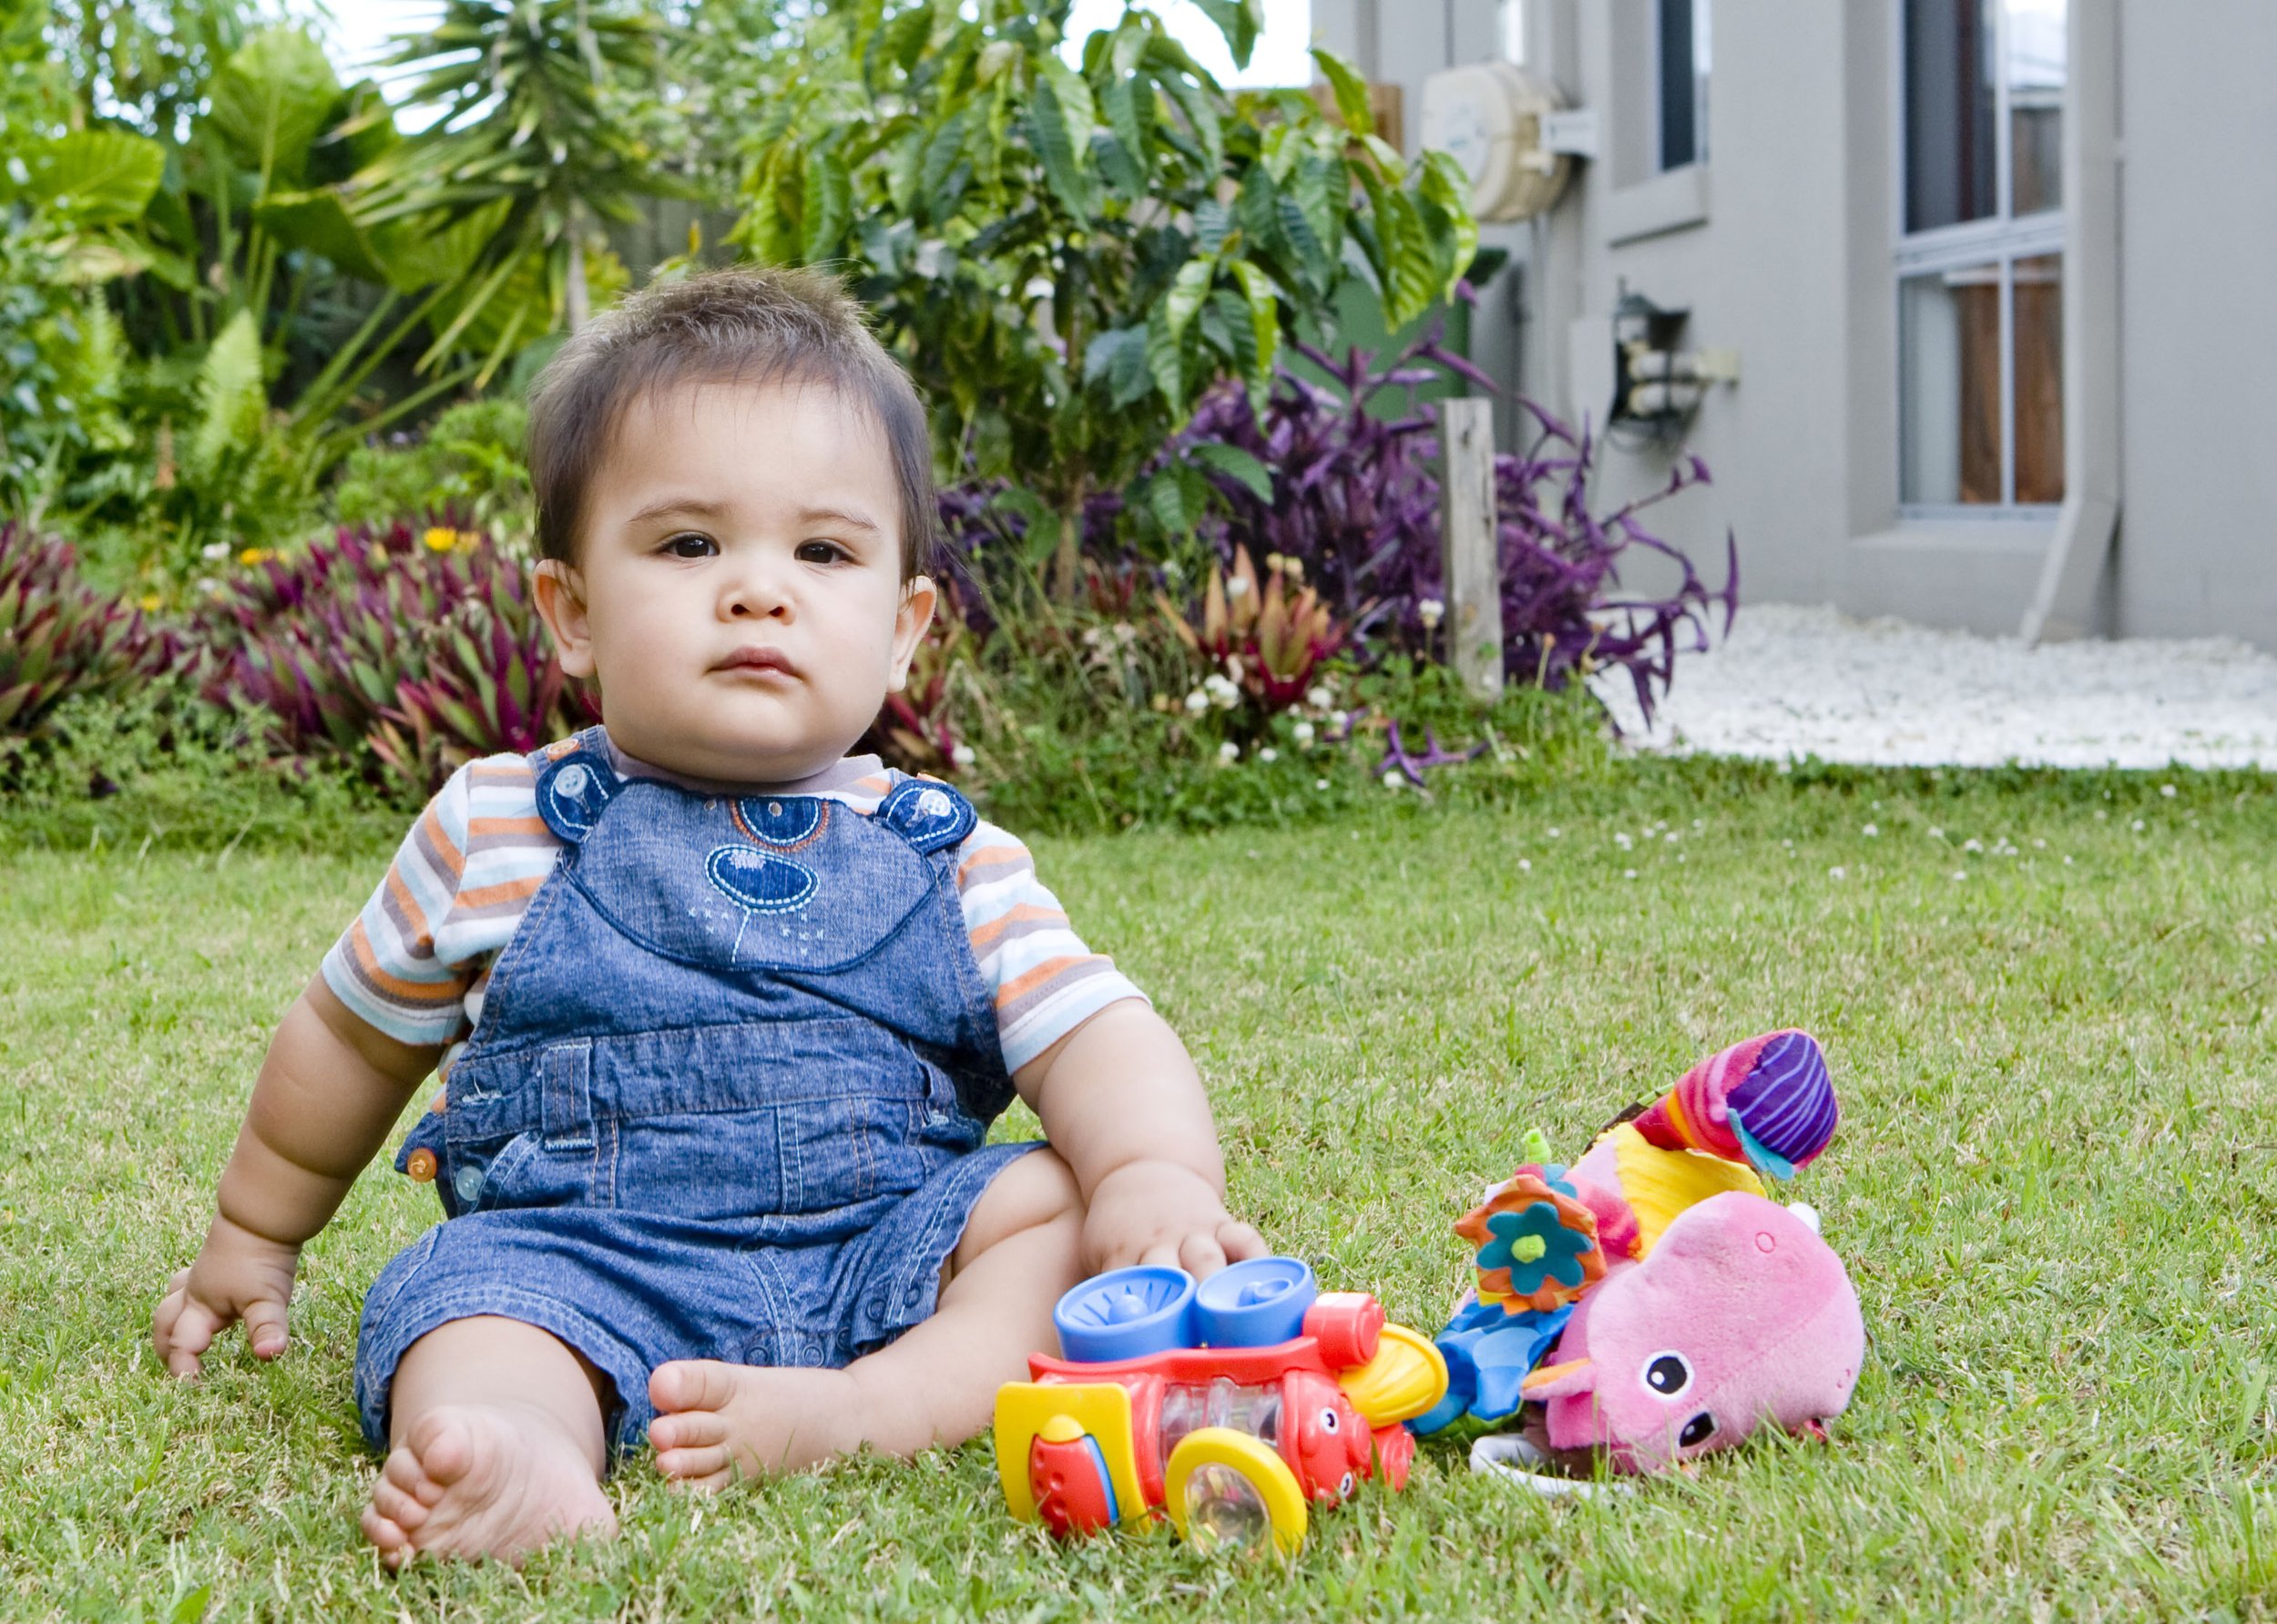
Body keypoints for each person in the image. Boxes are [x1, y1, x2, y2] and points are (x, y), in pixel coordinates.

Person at [150, 267, 1267, 1568]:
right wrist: (255, 1234)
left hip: (883, 1262)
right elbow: (347, 1043)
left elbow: (1095, 1036)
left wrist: (1152, 1180)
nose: (757, 590)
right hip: (581, 1258)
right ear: (569, 610)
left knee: (1049, 1204)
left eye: (824, 552)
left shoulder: (951, 856)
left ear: (903, 629)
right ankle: (525, 1453)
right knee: (464, 1309)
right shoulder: (498, 825)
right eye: (689, 544)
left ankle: (870, 1410)